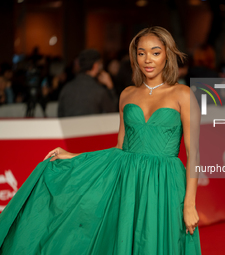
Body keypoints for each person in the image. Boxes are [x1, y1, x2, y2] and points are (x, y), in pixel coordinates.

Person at [0, 26, 202, 254]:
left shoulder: (183, 94)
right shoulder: (127, 94)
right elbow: (119, 148)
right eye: (141, 52)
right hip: (129, 183)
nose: (148, 59)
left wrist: (189, 203)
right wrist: (74, 157)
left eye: (155, 52)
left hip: (165, 182)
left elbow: (194, 153)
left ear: (167, 54)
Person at [58, 49, 118, 117]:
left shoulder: (66, 88)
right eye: (100, 63)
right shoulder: (99, 91)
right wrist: (110, 86)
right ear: (95, 66)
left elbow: (60, 115)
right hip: (93, 127)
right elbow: (113, 113)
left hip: (68, 127)